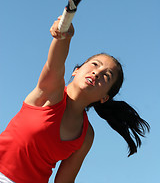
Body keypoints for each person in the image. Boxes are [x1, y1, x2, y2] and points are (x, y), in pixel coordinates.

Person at [0, 17, 150, 183]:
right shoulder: (51, 92)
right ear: (76, 71)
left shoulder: (86, 136)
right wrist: (64, 36)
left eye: (106, 76)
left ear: (104, 98)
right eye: (95, 64)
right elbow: (54, 65)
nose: (97, 73)